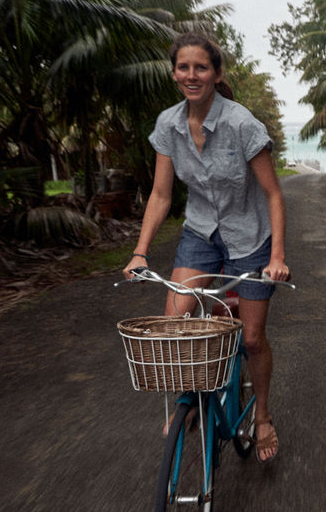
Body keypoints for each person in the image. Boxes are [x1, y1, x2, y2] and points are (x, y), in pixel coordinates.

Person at [122, 33, 289, 464]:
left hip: (250, 237)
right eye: (183, 67)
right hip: (200, 233)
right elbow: (161, 196)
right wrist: (140, 251)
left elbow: (273, 194)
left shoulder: (242, 125)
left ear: (216, 74)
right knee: (175, 322)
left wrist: (277, 258)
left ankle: (264, 416)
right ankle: (192, 400)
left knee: (252, 339)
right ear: (174, 73)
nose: (191, 75)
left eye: (201, 67)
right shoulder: (168, 125)